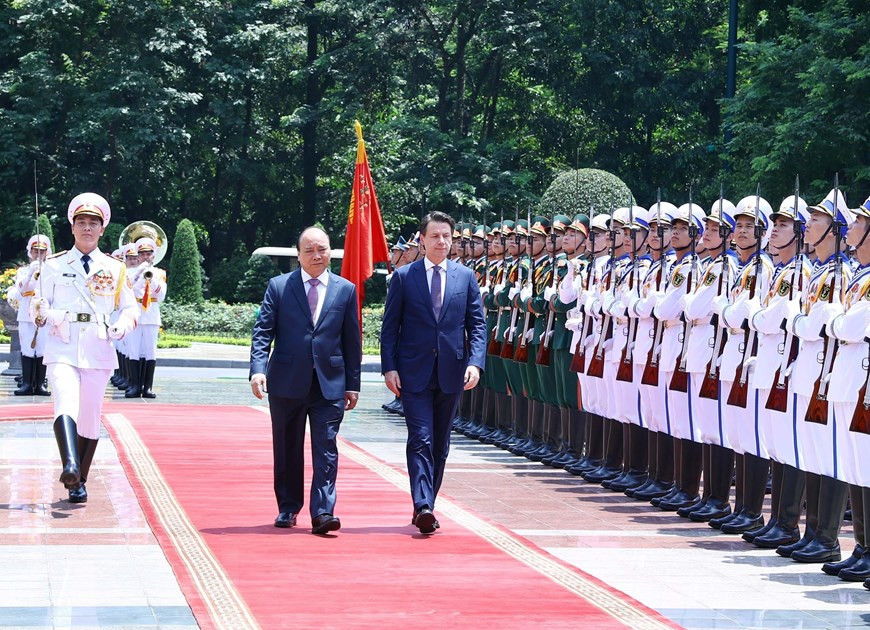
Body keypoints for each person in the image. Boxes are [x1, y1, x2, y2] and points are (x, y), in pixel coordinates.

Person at [249, 226, 361, 535]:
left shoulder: (345, 289)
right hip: (286, 380)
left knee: (326, 446)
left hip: (330, 383)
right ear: (298, 254)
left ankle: (323, 511)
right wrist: (258, 369)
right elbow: (263, 332)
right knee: (287, 446)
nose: (316, 256)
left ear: (330, 251)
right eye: (309, 250)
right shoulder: (279, 287)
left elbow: (352, 340)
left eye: (322, 249)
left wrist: (353, 383)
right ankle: (288, 506)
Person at [381, 211, 487, 534]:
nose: (442, 242)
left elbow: (477, 325)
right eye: (435, 236)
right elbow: (390, 329)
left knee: (440, 443)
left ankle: (429, 502)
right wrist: (390, 368)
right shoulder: (404, 277)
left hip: (452, 373)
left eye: (446, 236)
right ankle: (422, 505)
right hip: (414, 374)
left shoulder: (465, 277)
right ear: (422, 239)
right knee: (421, 439)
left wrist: (475, 362)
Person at [32, 193, 139, 503]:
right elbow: (38, 309)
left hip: (98, 346)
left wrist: (122, 326)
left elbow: (131, 309)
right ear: (72, 227)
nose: (87, 228)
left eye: (94, 223)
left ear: (102, 229)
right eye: (82, 222)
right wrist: (43, 313)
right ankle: (70, 463)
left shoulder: (115, 269)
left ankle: (79, 480)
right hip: (62, 345)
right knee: (65, 402)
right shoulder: (53, 266)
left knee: (90, 415)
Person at [9, 235, 52, 396]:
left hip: (43, 313)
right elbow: (20, 291)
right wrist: (30, 273)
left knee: (42, 349)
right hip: (27, 314)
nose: (38, 255)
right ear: (30, 252)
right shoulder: (23, 270)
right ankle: (27, 383)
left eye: (42, 252)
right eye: (35, 251)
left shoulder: (51, 271)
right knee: (27, 348)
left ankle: (40, 384)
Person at [126, 237, 167, 398]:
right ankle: (134, 385)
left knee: (150, 351)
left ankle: (147, 387)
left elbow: (161, 295)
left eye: (148, 254)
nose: (145, 257)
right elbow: (128, 290)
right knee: (133, 350)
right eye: (142, 254)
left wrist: (152, 279)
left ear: (153, 256)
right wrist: (139, 272)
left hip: (151, 314)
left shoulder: (159, 273)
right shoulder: (130, 272)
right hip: (135, 312)